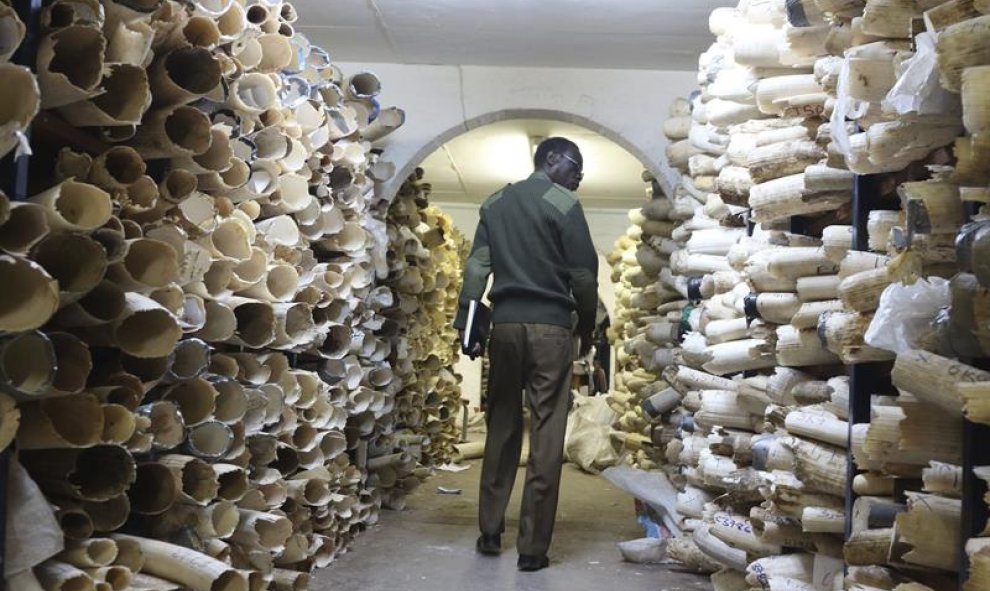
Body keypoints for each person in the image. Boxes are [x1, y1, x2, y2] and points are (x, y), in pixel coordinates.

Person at [453, 137, 599, 572]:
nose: (579, 177)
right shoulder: (564, 205)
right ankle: (532, 549)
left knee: (501, 425)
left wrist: (467, 322)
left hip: (506, 328)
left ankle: (490, 530)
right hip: (552, 330)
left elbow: (477, 265)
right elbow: (583, 276)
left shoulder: (495, 202)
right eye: (576, 166)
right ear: (550, 159)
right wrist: (586, 329)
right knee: (548, 432)